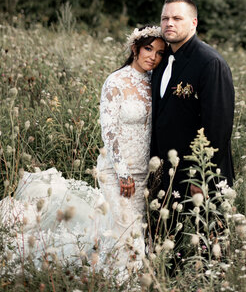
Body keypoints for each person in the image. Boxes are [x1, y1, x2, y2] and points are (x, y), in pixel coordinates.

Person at [0, 25, 166, 280]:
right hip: (117, 170)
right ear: (135, 49)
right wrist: (123, 173)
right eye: (148, 49)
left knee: (134, 228)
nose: (153, 56)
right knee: (127, 229)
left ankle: (115, 272)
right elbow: (109, 133)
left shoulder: (154, 82)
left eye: (159, 53)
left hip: (145, 169)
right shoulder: (116, 81)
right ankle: (119, 279)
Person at [151, 0, 235, 201]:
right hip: (167, 176)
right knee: (166, 233)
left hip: (200, 180)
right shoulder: (161, 61)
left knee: (206, 232)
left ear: (194, 23)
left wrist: (200, 177)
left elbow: (218, 127)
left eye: (177, 18)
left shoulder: (210, 63)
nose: (169, 23)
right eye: (165, 18)